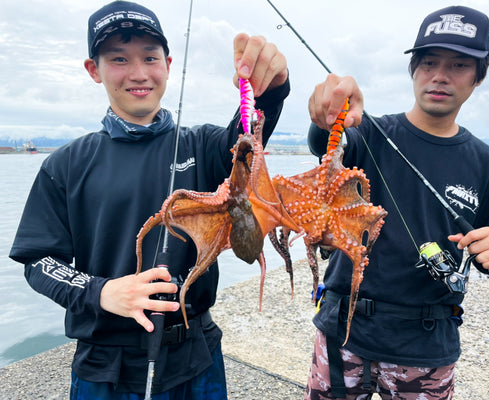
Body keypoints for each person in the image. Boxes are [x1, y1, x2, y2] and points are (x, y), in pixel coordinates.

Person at [9, 1, 289, 398]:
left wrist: (271, 87)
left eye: (150, 58)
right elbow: (37, 260)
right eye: (119, 59)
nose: (139, 73)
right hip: (104, 363)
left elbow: (246, 138)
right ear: (95, 70)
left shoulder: (206, 146)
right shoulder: (67, 164)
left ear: (169, 64)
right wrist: (101, 291)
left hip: (195, 352)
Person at [305, 6, 489, 400]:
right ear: (414, 70)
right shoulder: (368, 133)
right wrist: (330, 116)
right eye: (428, 62)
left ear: (478, 77)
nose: (440, 75)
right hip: (342, 333)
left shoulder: (486, 163)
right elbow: (330, 145)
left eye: (458, 65)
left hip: (426, 346)